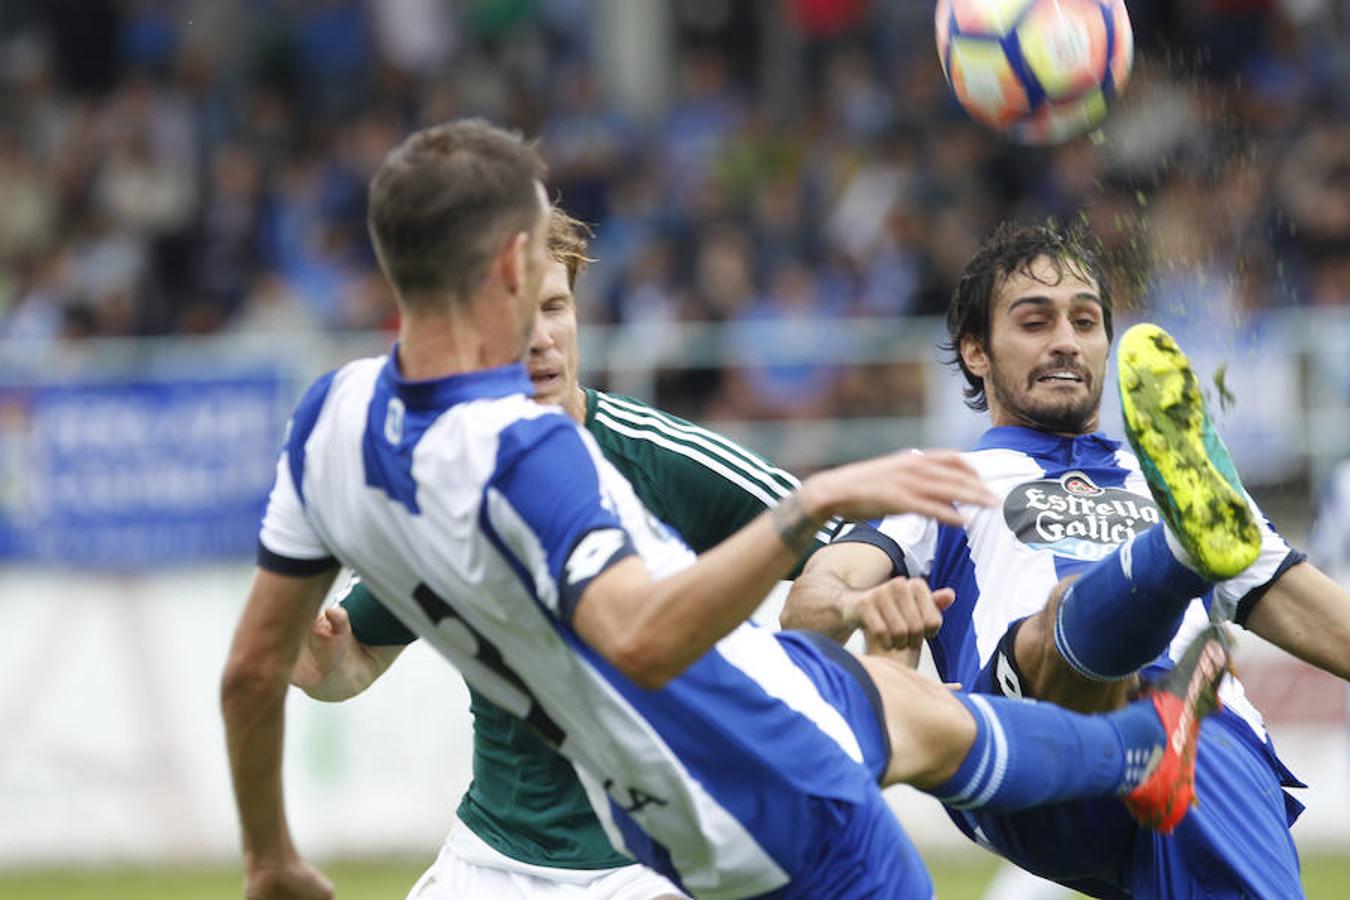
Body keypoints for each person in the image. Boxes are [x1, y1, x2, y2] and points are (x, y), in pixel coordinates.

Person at [221, 121, 1227, 900]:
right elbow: (644, 643)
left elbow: (252, 672)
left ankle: (1140, 749)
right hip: (750, 790)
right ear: (508, 272)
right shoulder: (529, 455)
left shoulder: (329, 418)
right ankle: (1137, 749)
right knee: (917, 726)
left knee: (914, 713)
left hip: (729, 722)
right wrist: (815, 504)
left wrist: (269, 856)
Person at [784, 220, 1350, 896]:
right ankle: (1177, 558)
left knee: (1211, 739)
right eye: (1035, 321)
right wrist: (858, 603)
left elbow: (1325, 618)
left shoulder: (1169, 477)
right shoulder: (937, 476)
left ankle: (1171, 662)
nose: (1066, 341)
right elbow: (808, 608)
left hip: (1210, 752)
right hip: (1035, 748)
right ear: (976, 352)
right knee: (1061, 612)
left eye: (1086, 322)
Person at [289, 205, 838, 900]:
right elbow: (357, 661)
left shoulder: (661, 459)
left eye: (555, 306)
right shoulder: (439, 489)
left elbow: (843, 545)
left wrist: (828, 654)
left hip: (660, 869)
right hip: (491, 865)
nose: (541, 340)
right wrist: (324, 662)